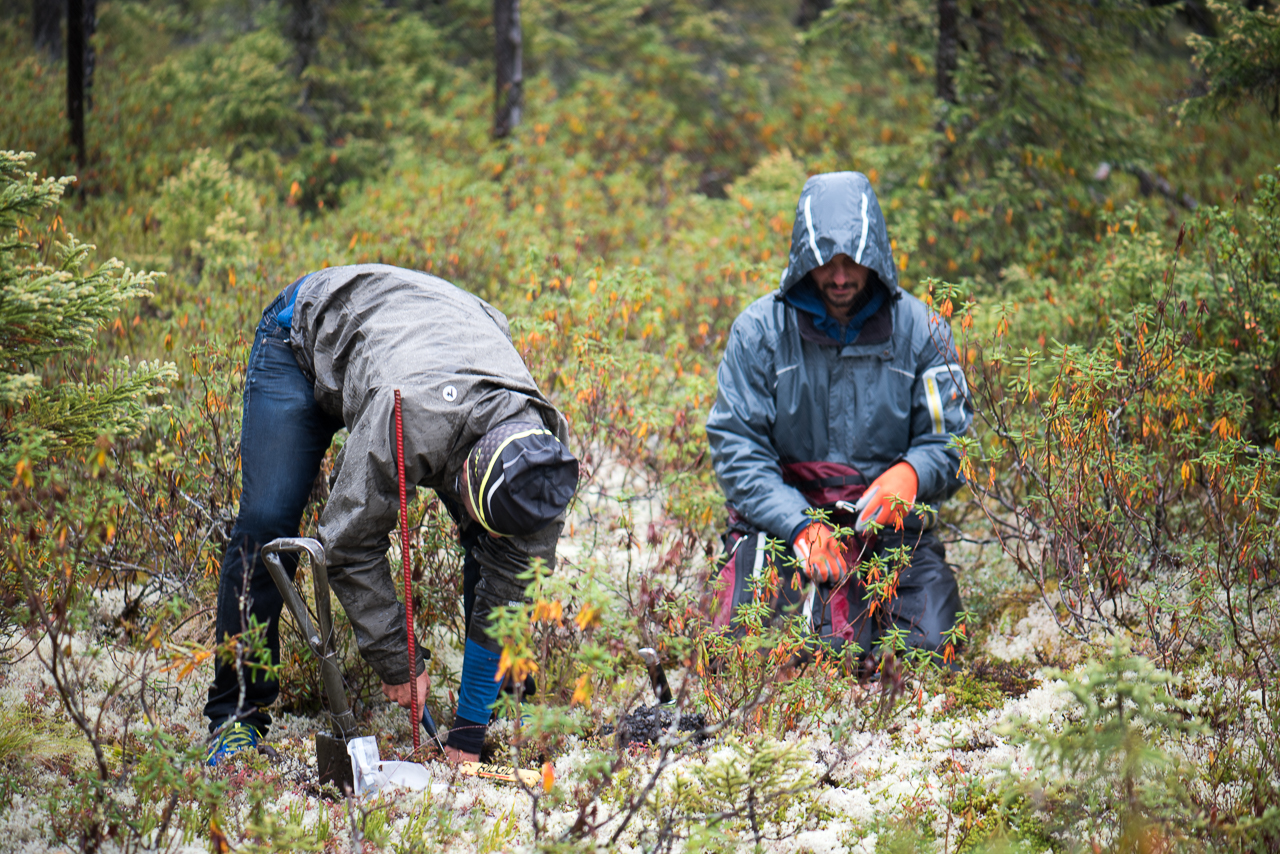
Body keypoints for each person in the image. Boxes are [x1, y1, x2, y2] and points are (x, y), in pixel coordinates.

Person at [204, 264, 578, 765]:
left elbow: (512, 579)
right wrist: (398, 661)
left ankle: (499, 706)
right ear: (461, 475)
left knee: (500, 549)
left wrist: (466, 736)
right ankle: (236, 716)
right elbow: (348, 543)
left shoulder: (545, 463)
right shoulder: (410, 420)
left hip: (436, 331)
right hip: (307, 336)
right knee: (267, 521)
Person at [705, 172, 972, 664]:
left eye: (854, 261)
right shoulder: (759, 333)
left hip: (890, 533)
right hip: (784, 530)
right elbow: (737, 446)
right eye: (826, 262)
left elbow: (952, 439)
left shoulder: (923, 332)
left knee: (932, 650)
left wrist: (912, 474)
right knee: (747, 654)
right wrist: (798, 524)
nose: (842, 276)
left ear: (877, 257)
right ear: (804, 259)